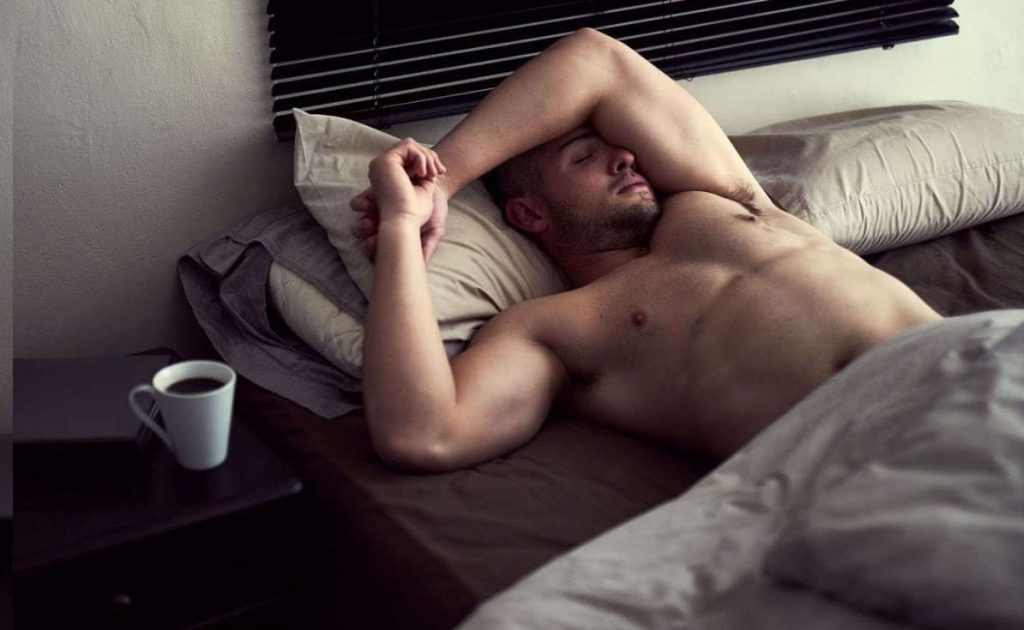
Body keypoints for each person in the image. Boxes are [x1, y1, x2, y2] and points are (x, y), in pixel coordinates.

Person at [350, 28, 942, 472]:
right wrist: (406, 219)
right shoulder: (558, 330)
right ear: (529, 214)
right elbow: (424, 434)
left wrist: (445, 176)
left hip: (962, 362)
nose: (625, 156)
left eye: (615, 147)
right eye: (584, 156)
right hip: (874, 456)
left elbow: (596, 59)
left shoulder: (714, 198)